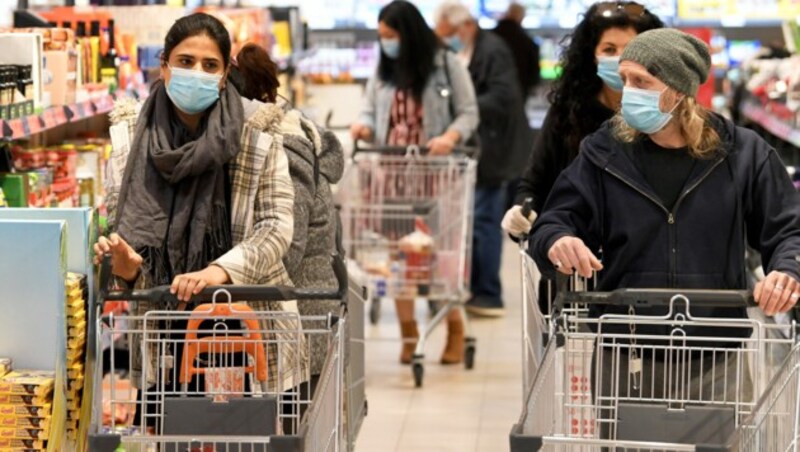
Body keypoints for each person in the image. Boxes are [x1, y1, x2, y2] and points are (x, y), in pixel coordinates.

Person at [530, 28, 800, 422]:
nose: (628, 93)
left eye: (642, 81)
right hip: (627, 354)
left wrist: (786, 269)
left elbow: (789, 228)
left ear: (677, 90)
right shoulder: (605, 152)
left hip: (715, 356)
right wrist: (557, 239)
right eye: (624, 79)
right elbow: (555, 219)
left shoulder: (743, 154)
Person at [95, 13, 304, 410]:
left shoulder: (257, 136)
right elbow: (134, 258)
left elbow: (276, 227)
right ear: (165, 66)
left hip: (248, 332)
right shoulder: (127, 144)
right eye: (186, 61)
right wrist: (128, 268)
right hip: (168, 339)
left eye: (210, 65)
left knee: (247, 436)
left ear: (225, 75)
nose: (197, 73)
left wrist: (218, 272)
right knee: (174, 435)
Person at [500, 1, 663, 312]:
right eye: (609, 49)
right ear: (592, 53)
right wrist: (522, 215)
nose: (619, 60)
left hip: (647, 271)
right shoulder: (568, 113)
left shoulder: (663, 115)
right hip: (573, 272)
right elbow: (534, 183)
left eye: (629, 49)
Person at [350, 0, 480, 364]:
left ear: (409, 34)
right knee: (398, 260)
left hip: (436, 180)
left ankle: (455, 328)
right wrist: (363, 124)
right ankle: (409, 335)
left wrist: (450, 138)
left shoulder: (445, 64)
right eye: (382, 37)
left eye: (391, 36)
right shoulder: (383, 69)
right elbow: (369, 108)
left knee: (440, 260)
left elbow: (469, 112)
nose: (387, 44)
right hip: (390, 182)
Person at [229, 42, 345, 396]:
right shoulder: (290, 135)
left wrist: (219, 272)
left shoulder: (283, 150)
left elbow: (286, 252)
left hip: (298, 328)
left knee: (293, 435)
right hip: (287, 323)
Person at [435, 0, 532, 317]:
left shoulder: (492, 50)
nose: (445, 39)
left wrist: (464, 106)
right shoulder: (467, 49)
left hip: (496, 150)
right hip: (480, 148)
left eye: (448, 33)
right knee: (474, 222)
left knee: (486, 222)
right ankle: (475, 288)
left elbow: (504, 97)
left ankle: (488, 294)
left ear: (465, 26)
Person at [492, 2, 540, 97]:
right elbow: (534, 73)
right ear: (521, 17)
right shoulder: (527, 41)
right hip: (519, 91)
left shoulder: (491, 36)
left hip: (491, 92)